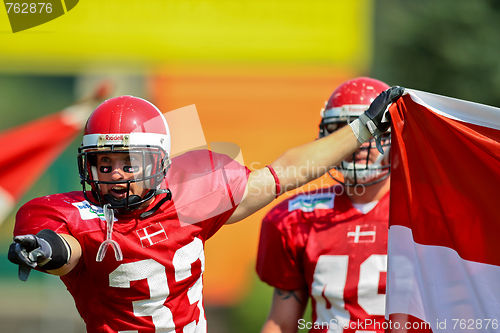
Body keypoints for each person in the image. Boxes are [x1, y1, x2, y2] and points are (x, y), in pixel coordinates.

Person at [8, 86, 402, 333]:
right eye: (104, 164)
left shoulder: (188, 200)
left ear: (159, 164)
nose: (117, 176)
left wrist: (361, 129)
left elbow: (284, 172)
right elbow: (66, 248)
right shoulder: (75, 215)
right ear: (87, 166)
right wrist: (46, 250)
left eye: (130, 163)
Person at [256, 77, 393, 333]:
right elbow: (282, 322)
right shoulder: (296, 218)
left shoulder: (428, 212)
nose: (359, 143)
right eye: (345, 130)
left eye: (373, 130)